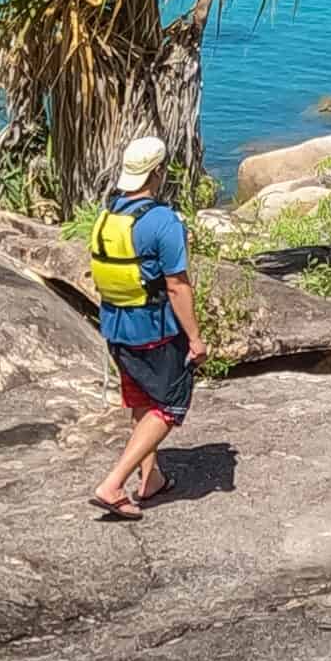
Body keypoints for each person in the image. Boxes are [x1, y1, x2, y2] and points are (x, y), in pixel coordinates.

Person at [87, 135, 205, 519]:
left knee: (142, 400)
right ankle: (113, 484)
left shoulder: (108, 215)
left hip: (116, 329)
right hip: (156, 332)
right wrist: (195, 337)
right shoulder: (162, 221)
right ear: (158, 172)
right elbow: (176, 285)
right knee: (170, 404)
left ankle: (150, 477)